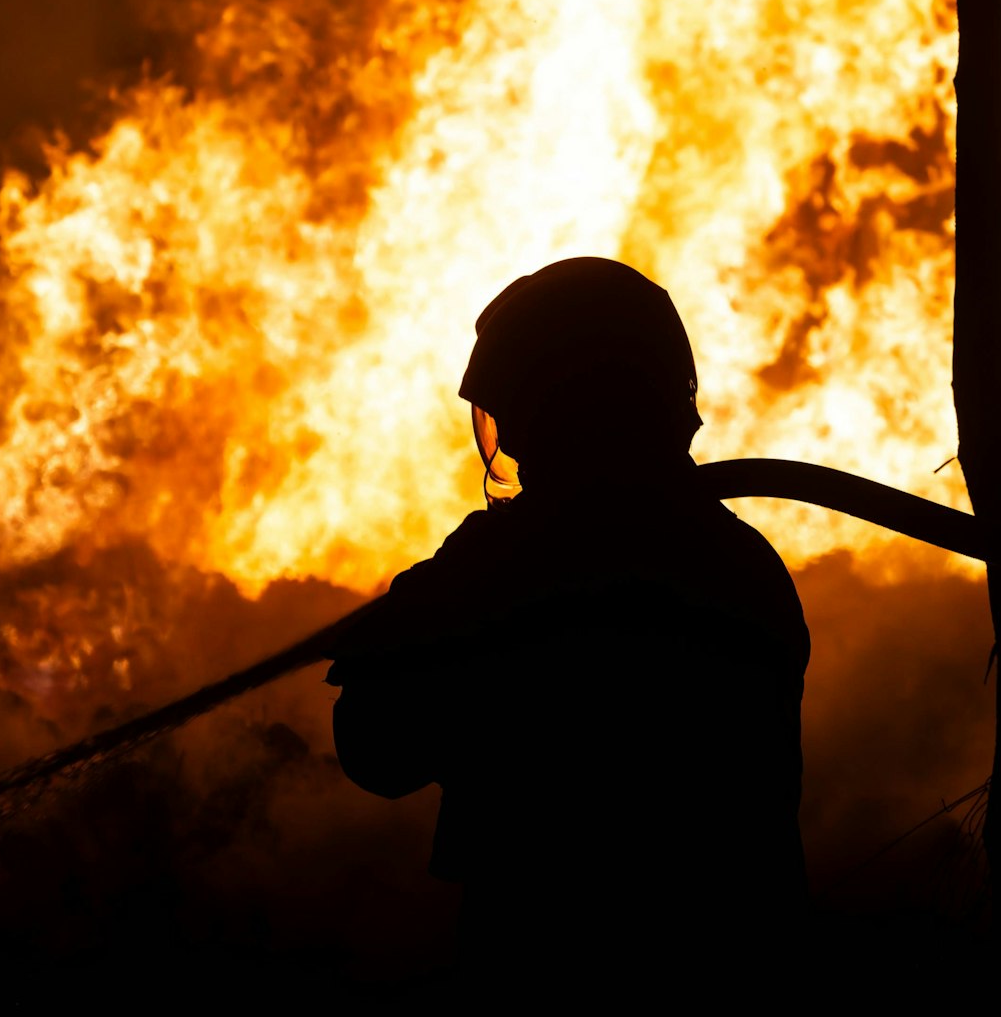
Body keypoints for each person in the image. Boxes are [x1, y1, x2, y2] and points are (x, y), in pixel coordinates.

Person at [327, 257, 810, 996]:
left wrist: (410, 619)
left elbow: (378, 748)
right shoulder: (743, 564)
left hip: (545, 957)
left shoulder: (506, 571)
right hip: (741, 960)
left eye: (515, 417)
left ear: (552, 410)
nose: (511, 445)